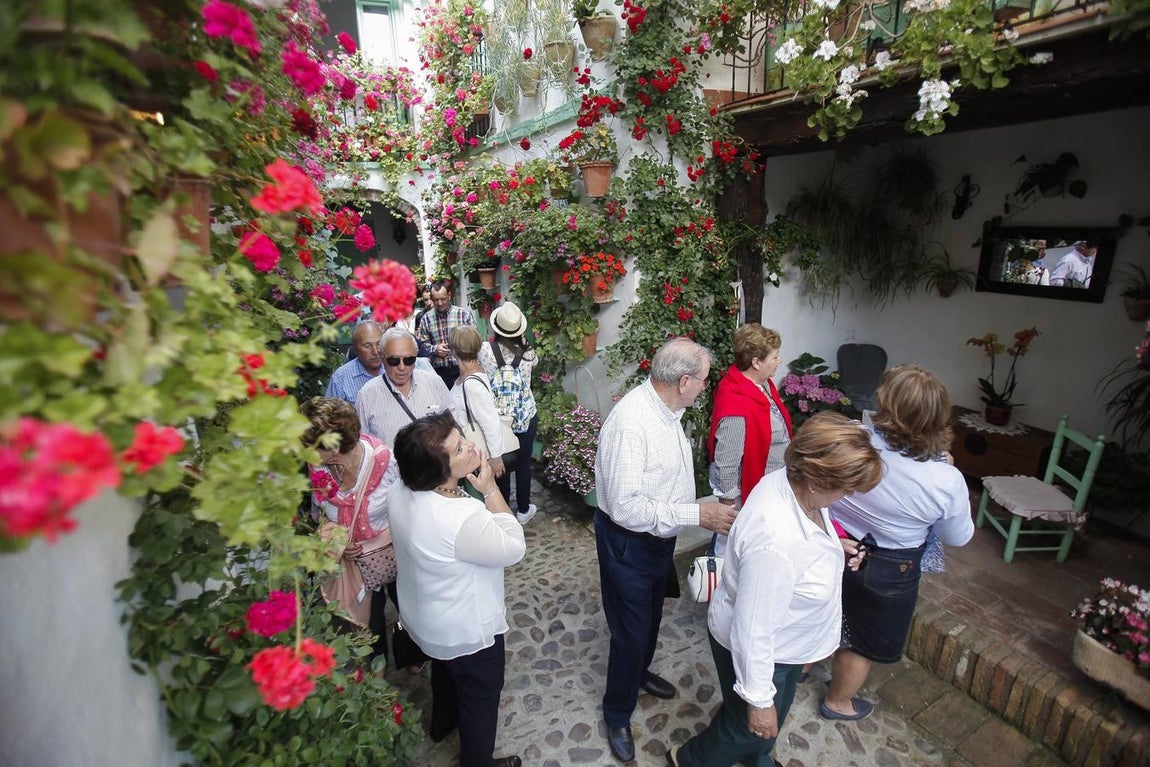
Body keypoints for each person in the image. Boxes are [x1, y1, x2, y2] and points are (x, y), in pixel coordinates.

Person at [667, 412, 884, 767]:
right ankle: (687, 759)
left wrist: (833, 547)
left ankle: (759, 761)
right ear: (818, 478)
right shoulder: (776, 543)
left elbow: (809, 536)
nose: (847, 496)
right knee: (750, 725)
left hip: (786, 647)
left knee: (767, 724)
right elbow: (753, 632)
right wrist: (759, 701)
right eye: (846, 488)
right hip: (769, 650)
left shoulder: (792, 484)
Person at [594, 337, 738, 763]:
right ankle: (617, 713)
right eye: (704, 381)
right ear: (684, 381)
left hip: (657, 537)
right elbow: (626, 507)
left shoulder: (668, 409)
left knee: (653, 614)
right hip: (630, 541)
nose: (706, 388)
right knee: (630, 632)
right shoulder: (632, 422)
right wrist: (697, 514)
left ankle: (639, 673)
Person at [822, 364, 974, 721]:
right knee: (860, 639)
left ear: (885, 405)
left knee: (821, 611)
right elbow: (958, 536)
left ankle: (800, 669)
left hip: (833, 541)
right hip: (890, 566)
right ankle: (838, 702)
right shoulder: (945, 479)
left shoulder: (851, 438)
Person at [389, 411, 526, 767]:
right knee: (480, 700)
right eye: (461, 448)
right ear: (439, 470)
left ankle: (442, 725)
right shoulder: (462, 515)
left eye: (463, 438)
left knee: (446, 675)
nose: (472, 446)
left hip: (426, 620)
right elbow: (513, 547)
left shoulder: (400, 491)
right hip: (467, 631)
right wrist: (490, 489)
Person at [300, 397, 399, 664]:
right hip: (355, 564)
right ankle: (377, 669)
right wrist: (339, 539)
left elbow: (406, 510)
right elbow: (319, 511)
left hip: (392, 554)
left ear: (333, 449)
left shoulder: (383, 462)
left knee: (406, 610)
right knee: (371, 619)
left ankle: (410, 654)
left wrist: (373, 541)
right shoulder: (318, 465)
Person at [707, 323, 793, 534]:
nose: (779, 360)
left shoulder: (762, 385)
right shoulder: (736, 402)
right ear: (756, 362)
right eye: (774, 356)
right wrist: (728, 511)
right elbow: (726, 461)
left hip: (771, 489)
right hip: (752, 498)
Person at [479, 302, 539, 525]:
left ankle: (503, 510)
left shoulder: (485, 350)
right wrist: (524, 344)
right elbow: (535, 365)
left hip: (498, 419)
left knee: (500, 464)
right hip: (524, 418)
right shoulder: (528, 354)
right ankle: (524, 509)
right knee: (524, 464)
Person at [355, 326, 451, 448]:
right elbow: (362, 447)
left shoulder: (434, 383)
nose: (402, 367)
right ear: (382, 358)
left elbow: (452, 426)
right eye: (394, 361)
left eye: (409, 360)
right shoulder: (367, 395)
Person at [448, 325, 506, 481]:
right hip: (473, 453)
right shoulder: (472, 373)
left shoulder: (472, 384)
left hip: (479, 456)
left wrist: (495, 457)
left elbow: (490, 421)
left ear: (453, 350)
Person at [418, 279, 476, 388]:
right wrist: (435, 349)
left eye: (443, 299)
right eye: (436, 300)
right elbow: (421, 346)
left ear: (449, 295)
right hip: (438, 374)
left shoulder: (463, 315)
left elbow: (475, 342)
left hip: (463, 369)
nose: (439, 303)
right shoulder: (426, 319)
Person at [325, 321, 386, 404]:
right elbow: (329, 413)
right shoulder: (340, 378)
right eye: (367, 346)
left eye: (379, 344)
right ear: (355, 349)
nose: (375, 351)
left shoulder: (396, 367)